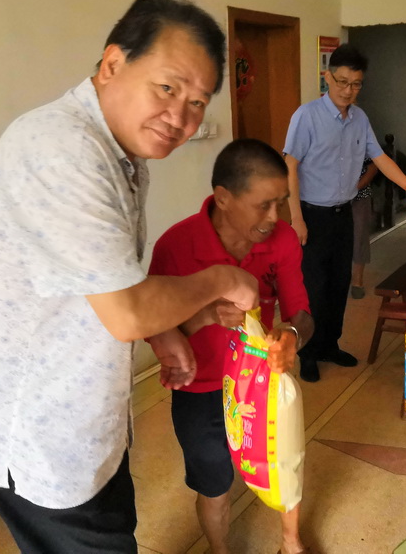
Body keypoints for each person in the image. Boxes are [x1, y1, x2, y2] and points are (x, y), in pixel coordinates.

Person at [0, 0, 259, 554]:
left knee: (115, 523)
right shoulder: (63, 149)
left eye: (197, 102)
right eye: (167, 88)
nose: (181, 117)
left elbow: (98, 278)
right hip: (33, 429)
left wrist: (168, 328)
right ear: (113, 63)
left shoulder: (120, 154)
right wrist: (224, 279)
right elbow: (127, 311)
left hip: (78, 416)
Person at [147, 139, 314, 554]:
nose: (275, 217)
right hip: (199, 390)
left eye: (282, 203)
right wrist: (205, 315)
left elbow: (302, 313)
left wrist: (291, 337)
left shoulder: (282, 240)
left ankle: (291, 542)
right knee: (214, 482)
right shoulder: (176, 246)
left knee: (283, 465)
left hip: (261, 383)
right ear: (223, 198)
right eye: (263, 205)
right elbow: (154, 325)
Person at [284, 43, 406, 382]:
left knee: (339, 284)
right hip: (312, 215)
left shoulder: (360, 119)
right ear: (328, 77)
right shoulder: (306, 116)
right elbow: (290, 166)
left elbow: (379, 157)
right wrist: (297, 218)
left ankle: (330, 345)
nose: (348, 91)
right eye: (342, 82)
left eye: (356, 84)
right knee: (313, 289)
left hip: (343, 215)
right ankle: (308, 353)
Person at [350, 157, 378, 299]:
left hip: (359, 196)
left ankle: (357, 281)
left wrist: (356, 188)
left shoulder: (362, 142)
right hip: (330, 198)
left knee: (359, 237)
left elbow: (373, 166)